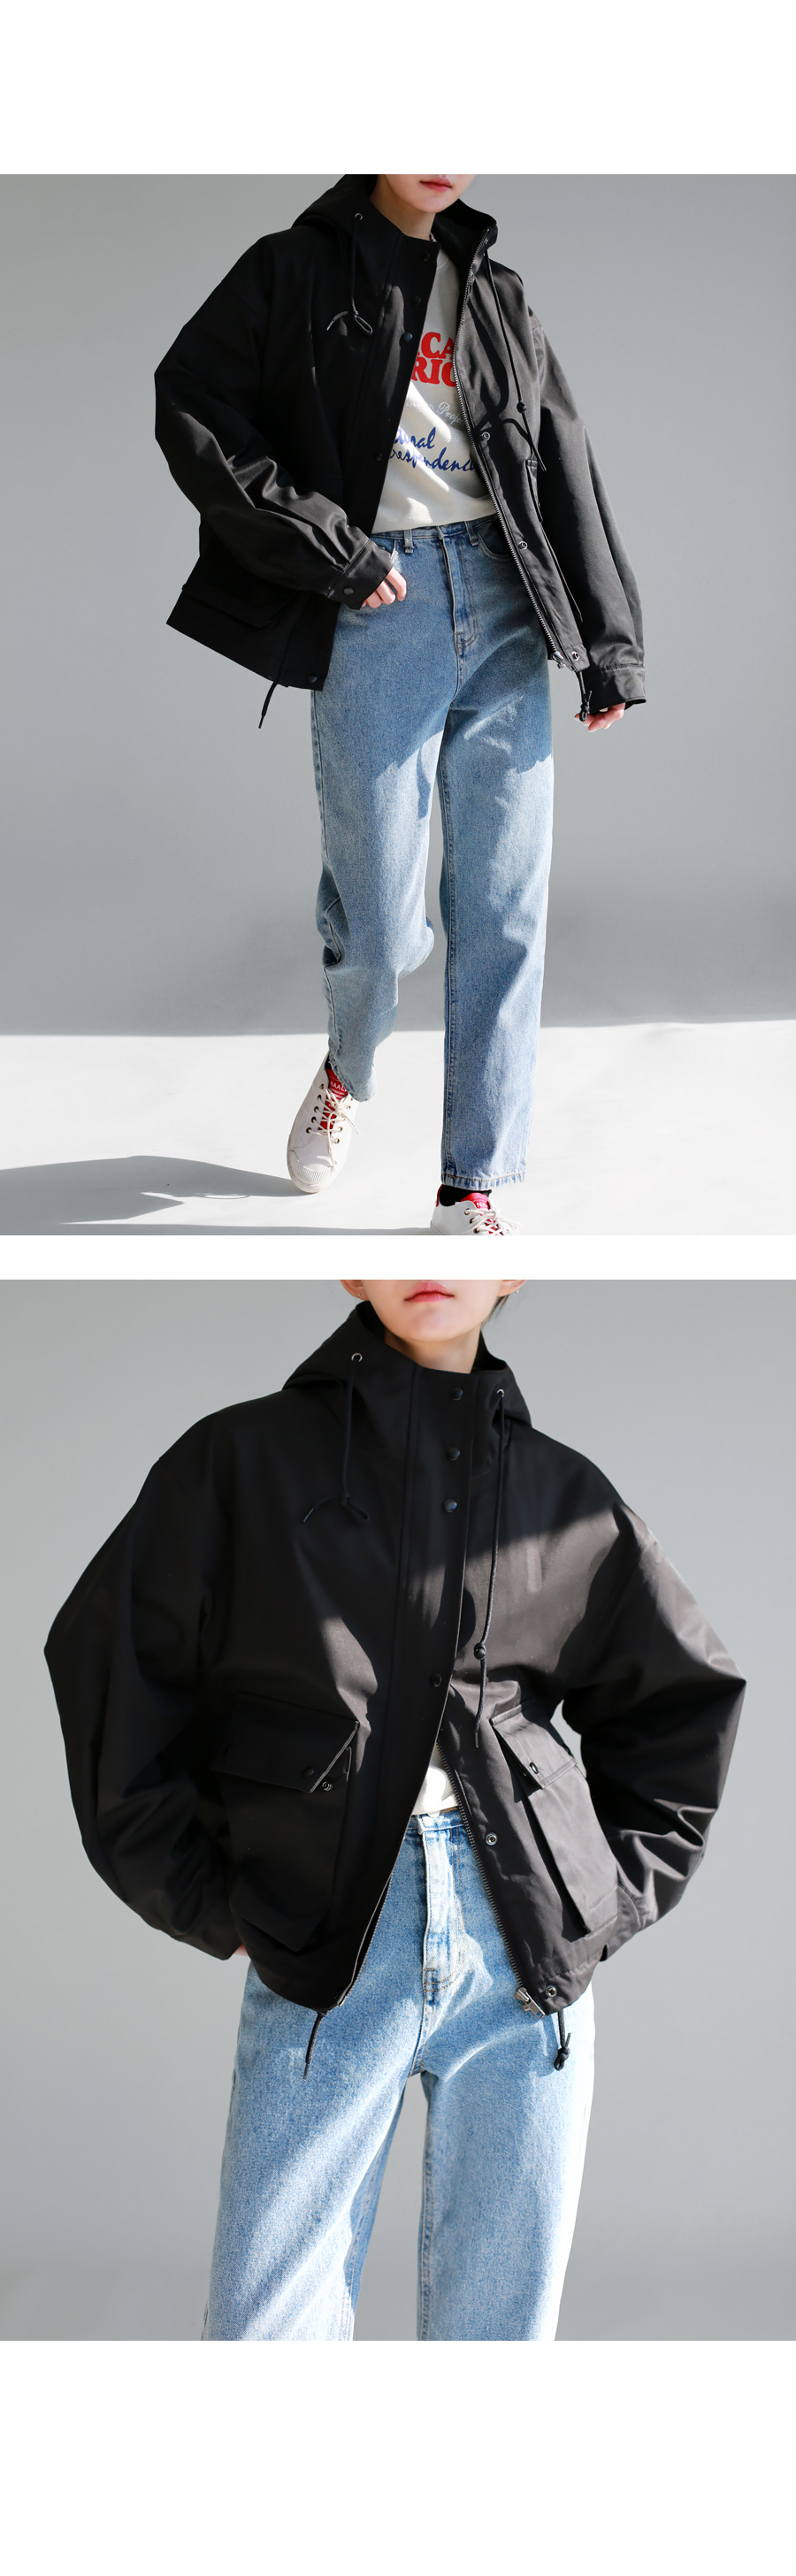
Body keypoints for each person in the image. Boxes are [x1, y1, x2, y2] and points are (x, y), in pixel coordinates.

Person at [44, 1282, 744, 2343]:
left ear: (510, 1269)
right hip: (327, 1935)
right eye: (390, 1232)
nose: (427, 1266)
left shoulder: (563, 1494)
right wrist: (210, 1898)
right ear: (347, 1269)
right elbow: (111, 1665)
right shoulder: (240, 1462)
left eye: (459, 1237)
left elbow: (682, 1699)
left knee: (497, 2342)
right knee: (266, 2333)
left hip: (524, 1955)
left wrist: (597, 1897)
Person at [154, 177, 645, 1233]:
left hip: (505, 602)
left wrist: (606, 641)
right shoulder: (294, 268)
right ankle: (349, 1062)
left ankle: (474, 1186)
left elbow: (561, 454)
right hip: (381, 604)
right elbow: (191, 398)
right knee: (380, 925)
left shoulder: (498, 292)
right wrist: (329, 545)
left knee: (505, 909)